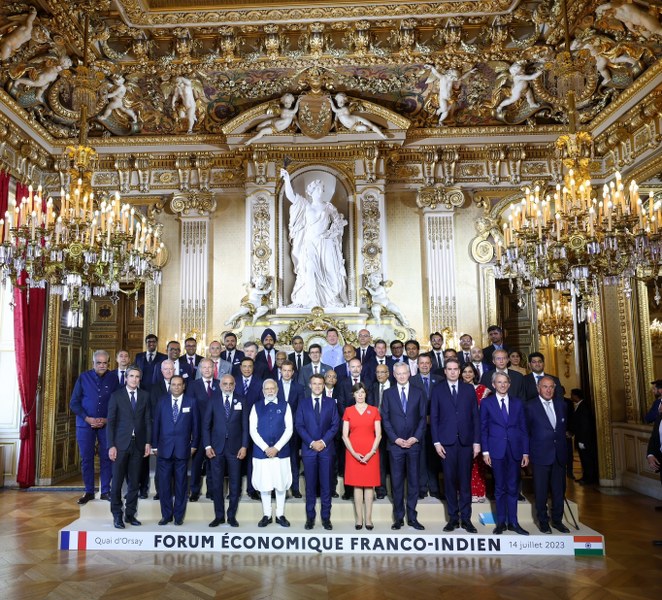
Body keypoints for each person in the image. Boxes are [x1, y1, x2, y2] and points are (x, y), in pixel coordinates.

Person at [280, 167, 348, 308]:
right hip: (309, 243)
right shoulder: (305, 205)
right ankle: (309, 300)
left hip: (326, 243)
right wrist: (286, 179)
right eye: (317, 189)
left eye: (321, 189)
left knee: (330, 271)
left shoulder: (328, 207)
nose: (320, 191)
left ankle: (332, 298)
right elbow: (291, 197)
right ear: (310, 192)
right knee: (309, 269)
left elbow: (339, 222)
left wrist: (331, 233)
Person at [430, 358, 481, 533]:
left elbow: (475, 417)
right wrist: (436, 442)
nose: (452, 372)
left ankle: (466, 519)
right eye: (449, 369)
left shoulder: (468, 389)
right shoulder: (438, 390)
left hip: (466, 442)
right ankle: (453, 518)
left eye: (455, 369)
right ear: (445, 371)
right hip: (446, 443)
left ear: (459, 371)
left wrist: (476, 442)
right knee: (450, 481)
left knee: (465, 482)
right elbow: (434, 417)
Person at [481, 372, 530, 535]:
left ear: (509, 384)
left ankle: (514, 522)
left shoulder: (517, 403)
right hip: (496, 450)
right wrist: (485, 451)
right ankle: (501, 522)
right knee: (499, 487)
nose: (502, 385)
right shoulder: (486, 403)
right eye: (499, 382)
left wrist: (525, 452)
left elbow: (523, 429)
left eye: (505, 382)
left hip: (515, 450)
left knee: (513, 487)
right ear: (493, 384)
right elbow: (483, 428)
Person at [381, 362, 427, 530]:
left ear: (409, 374)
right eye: (398, 373)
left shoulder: (419, 392)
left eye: (404, 373)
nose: (401, 376)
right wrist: (395, 439)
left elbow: (422, 418)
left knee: (414, 482)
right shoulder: (388, 393)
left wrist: (415, 438)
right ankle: (399, 518)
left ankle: (412, 517)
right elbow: (385, 419)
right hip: (395, 446)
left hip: (414, 445)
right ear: (394, 375)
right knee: (397, 482)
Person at [69, 350, 119, 504]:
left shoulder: (114, 378)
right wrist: (87, 418)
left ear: (109, 363)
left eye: (105, 363)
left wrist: (107, 420)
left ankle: (105, 491)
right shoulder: (83, 377)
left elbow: (119, 402)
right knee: (86, 458)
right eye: (99, 363)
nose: (102, 365)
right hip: (85, 425)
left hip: (106, 425)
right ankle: (89, 491)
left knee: (107, 457)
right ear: (93, 363)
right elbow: (74, 403)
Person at [107, 366, 152, 529]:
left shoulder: (145, 396)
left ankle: (130, 514)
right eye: (131, 376)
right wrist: (111, 445)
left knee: (134, 483)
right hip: (120, 445)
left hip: (138, 444)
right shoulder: (116, 396)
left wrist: (148, 442)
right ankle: (117, 515)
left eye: (137, 376)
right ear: (126, 378)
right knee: (117, 482)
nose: (134, 379)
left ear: (140, 379)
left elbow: (148, 420)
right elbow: (111, 422)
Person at [152, 375, 199, 526]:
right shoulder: (162, 401)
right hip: (164, 450)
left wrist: (194, 445)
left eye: (179, 385)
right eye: (174, 384)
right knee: (164, 485)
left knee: (181, 485)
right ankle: (166, 515)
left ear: (184, 386)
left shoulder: (191, 402)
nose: (176, 387)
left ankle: (179, 516)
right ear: (170, 386)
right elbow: (156, 425)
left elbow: (196, 426)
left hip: (183, 450)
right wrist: (154, 446)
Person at [296, 373, 340, 530]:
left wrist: (322, 442)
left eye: (320, 384)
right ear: (310, 385)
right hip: (309, 450)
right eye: (314, 383)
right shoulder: (303, 403)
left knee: (326, 486)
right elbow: (299, 425)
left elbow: (335, 425)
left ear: (324, 385)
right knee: (310, 486)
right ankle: (310, 518)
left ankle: (326, 518)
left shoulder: (331, 403)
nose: (317, 386)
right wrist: (312, 442)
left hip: (326, 450)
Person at [526, 376, 570, 534]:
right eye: (545, 386)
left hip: (559, 455)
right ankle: (543, 521)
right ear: (538, 388)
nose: (548, 390)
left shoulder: (562, 405)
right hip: (540, 455)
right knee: (541, 491)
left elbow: (563, 428)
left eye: (551, 387)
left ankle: (557, 521)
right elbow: (526, 432)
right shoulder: (530, 406)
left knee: (559, 491)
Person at [204, 374, 248, 528]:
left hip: (236, 449)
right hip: (216, 449)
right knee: (217, 484)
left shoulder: (242, 400)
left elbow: (245, 426)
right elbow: (206, 426)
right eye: (225, 384)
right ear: (220, 385)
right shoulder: (213, 400)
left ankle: (231, 516)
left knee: (235, 484)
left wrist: (244, 446)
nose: (228, 387)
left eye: (231, 384)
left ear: (235, 385)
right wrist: (207, 446)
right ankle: (219, 516)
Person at [249, 379, 294, 527]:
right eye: (267, 389)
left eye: (272, 388)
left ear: (277, 390)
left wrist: (277, 448)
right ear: (263, 391)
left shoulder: (285, 405)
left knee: (280, 484)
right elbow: (253, 430)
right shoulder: (256, 406)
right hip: (261, 453)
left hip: (281, 453)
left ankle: (280, 515)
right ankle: (267, 515)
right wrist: (265, 448)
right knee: (265, 484)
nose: (270, 391)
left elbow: (289, 429)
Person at [342, 382, 381, 529]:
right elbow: (344, 435)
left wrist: (371, 452)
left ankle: (368, 520)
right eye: (357, 392)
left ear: (366, 394)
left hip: (371, 452)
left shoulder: (374, 410)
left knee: (369, 486)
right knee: (357, 486)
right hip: (353, 452)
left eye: (362, 392)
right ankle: (359, 519)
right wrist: (353, 453)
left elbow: (379, 434)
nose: (360, 395)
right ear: (353, 395)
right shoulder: (348, 411)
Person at [411, 354, 442, 500]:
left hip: (436, 426)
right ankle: (422, 488)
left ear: (431, 365)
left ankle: (435, 488)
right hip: (418, 425)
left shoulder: (440, 380)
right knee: (420, 457)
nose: (424, 365)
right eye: (421, 363)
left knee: (434, 457)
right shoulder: (412, 380)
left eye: (427, 363)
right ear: (417, 365)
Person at [188, 358, 218, 502]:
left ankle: (211, 491)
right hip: (198, 431)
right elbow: (190, 409)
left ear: (214, 369)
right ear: (200, 369)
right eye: (204, 367)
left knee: (213, 462)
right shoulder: (193, 385)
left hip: (216, 431)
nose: (207, 370)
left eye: (209, 367)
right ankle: (194, 491)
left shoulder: (220, 384)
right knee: (197, 462)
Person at [461, 363, 490, 503]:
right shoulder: (457, 388)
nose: (467, 374)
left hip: (478, 430)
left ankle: (478, 492)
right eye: (465, 372)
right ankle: (464, 493)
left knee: (478, 463)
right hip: (462, 430)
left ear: (474, 374)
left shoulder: (483, 390)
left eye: (470, 372)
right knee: (463, 463)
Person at [277, 360, 305, 498]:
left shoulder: (299, 388)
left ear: (293, 372)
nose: (287, 373)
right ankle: (277, 487)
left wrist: (292, 424)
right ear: (280, 371)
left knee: (294, 460)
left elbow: (300, 409)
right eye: (284, 370)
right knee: (278, 460)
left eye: (289, 370)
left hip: (293, 429)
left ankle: (295, 488)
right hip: (277, 429)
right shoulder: (274, 386)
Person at [370, 363, 392, 499]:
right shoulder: (372, 387)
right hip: (376, 429)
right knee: (380, 460)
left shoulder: (395, 386)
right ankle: (381, 489)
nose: (379, 375)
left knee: (394, 460)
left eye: (382, 372)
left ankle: (396, 491)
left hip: (394, 429)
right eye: (377, 372)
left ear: (388, 373)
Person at [569, 388, 599, 485]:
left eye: (572, 394)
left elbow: (585, 425)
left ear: (576, 396)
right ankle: (585, 477)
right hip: (581, 438)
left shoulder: (583, 407)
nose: (571, 396)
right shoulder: (580, 405)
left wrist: (582, 440)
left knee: (587, 459)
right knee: (584, 459)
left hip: (585, 439)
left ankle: (589, 478)